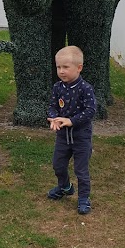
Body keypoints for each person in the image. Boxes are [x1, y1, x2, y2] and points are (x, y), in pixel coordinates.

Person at [47, 46, 96, 215]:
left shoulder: (85, 89)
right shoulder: (57, 87)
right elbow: (53, 106)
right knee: (58, 165)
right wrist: (54, 118)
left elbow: (90, 111)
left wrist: (71, 121)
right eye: (58, 67)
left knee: (81, 170)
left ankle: (83, 198)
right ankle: (65, 187)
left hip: (81, 137)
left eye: (65, 67)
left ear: (79, 68)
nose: (61, 71)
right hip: (62, 137)